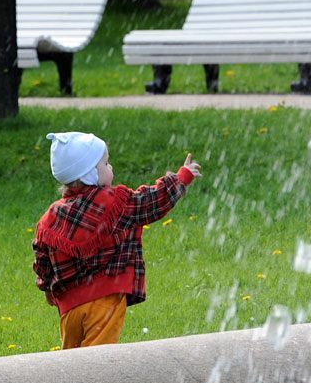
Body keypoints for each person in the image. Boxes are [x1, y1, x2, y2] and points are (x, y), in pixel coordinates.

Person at [33, 131, 200, 349]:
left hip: (69, 310)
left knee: (71, 367)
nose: (110, 167)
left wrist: (47, 289)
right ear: (89, 174)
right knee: (97, 365)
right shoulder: (114, 203)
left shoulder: (51, 218)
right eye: (105, 163)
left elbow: (42, 261)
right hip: (105, 299)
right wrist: (181, 179)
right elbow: (149, 202)